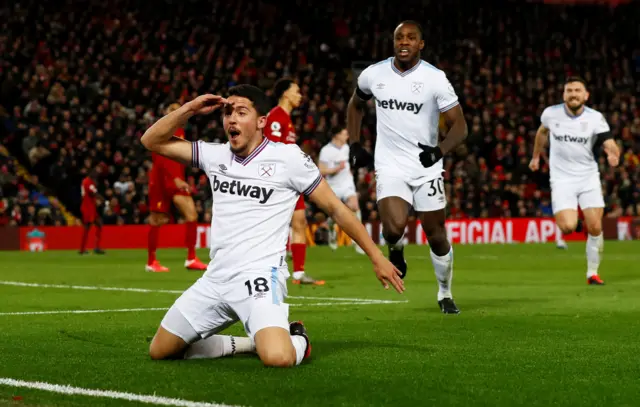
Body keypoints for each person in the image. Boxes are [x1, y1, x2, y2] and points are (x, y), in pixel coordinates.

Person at [140, 85, 404, 367]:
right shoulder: (213, 155)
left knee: (279, 358)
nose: (232, 119)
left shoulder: (289, 159)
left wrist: (377, 257)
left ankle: (299, 338)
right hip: (216, 279)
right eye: (228, 112)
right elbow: (151, 140)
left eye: (242, 112)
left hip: (261, 278)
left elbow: (336, 209)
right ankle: (251, 342)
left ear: (261, 120)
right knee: (160, 350)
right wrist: (190, 108)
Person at [347, 20, 467, 314]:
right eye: (399, 37)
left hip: (426, 167)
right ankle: (396, 249)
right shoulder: (374, 74)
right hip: (390, 165)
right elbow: (355, 105)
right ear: (393, 42)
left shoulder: (435, 78)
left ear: (420, 44)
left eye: (411, 38)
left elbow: (460, 127)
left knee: (435, 234)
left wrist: (438, 151)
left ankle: (444, 292)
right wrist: (354, 144)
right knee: (393, 226)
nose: (404, 42)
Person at [529, 76, 620, 285]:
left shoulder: (595, 118)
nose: (573, 94)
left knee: (596, 227)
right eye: (569, 90)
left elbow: (609, 142)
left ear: (586, 95)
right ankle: (580, 223)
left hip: (588, 177)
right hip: (562, 179)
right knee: (568, 227)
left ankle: (592, 273)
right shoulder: (551, 114)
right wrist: (535, 157)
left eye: (578, 90)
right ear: (564, 95)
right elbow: (542, 133)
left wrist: (613, 154)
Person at [264, 79, 324, 285]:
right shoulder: (275, 117)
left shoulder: (287, 120)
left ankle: (298, 274)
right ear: (286, 94)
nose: (300, 95)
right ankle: (268, 270)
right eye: (296, 91)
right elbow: (270, 150)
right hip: (277, 182)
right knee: (276, 228)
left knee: (300, 222)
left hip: (290, 181)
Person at [146, 103, 207, 273]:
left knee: (191, 215)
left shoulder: (179, 132)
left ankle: (191, 258)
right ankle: (152, 262)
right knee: (157, 220)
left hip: (173, 180)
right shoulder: (162, 130)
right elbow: (160, 158)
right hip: (162, 179)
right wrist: (176, 179)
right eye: (171, 111)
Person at [318, 127, 364, 253]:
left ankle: (359, 242)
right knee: (336, 212)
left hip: (347, 184)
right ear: (336, 135)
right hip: (333, 186)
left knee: (354, 206)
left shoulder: (346, 147)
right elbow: (321, 170)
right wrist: (335, 170)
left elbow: (346, 165)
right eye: (344, 134)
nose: (347, 137)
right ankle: (332, 227)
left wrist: (347, 172)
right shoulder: (326, 151)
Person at [79, 168, 105, 255]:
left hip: (90, 207)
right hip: (88, 208)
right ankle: (83, 249)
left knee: (99, 224)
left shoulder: (86, 181)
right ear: (91, 174)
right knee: (87, 227)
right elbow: (93, 192)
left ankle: (96, 247)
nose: (96, 176)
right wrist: (103, 200)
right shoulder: (88, 182)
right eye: (95, 174)